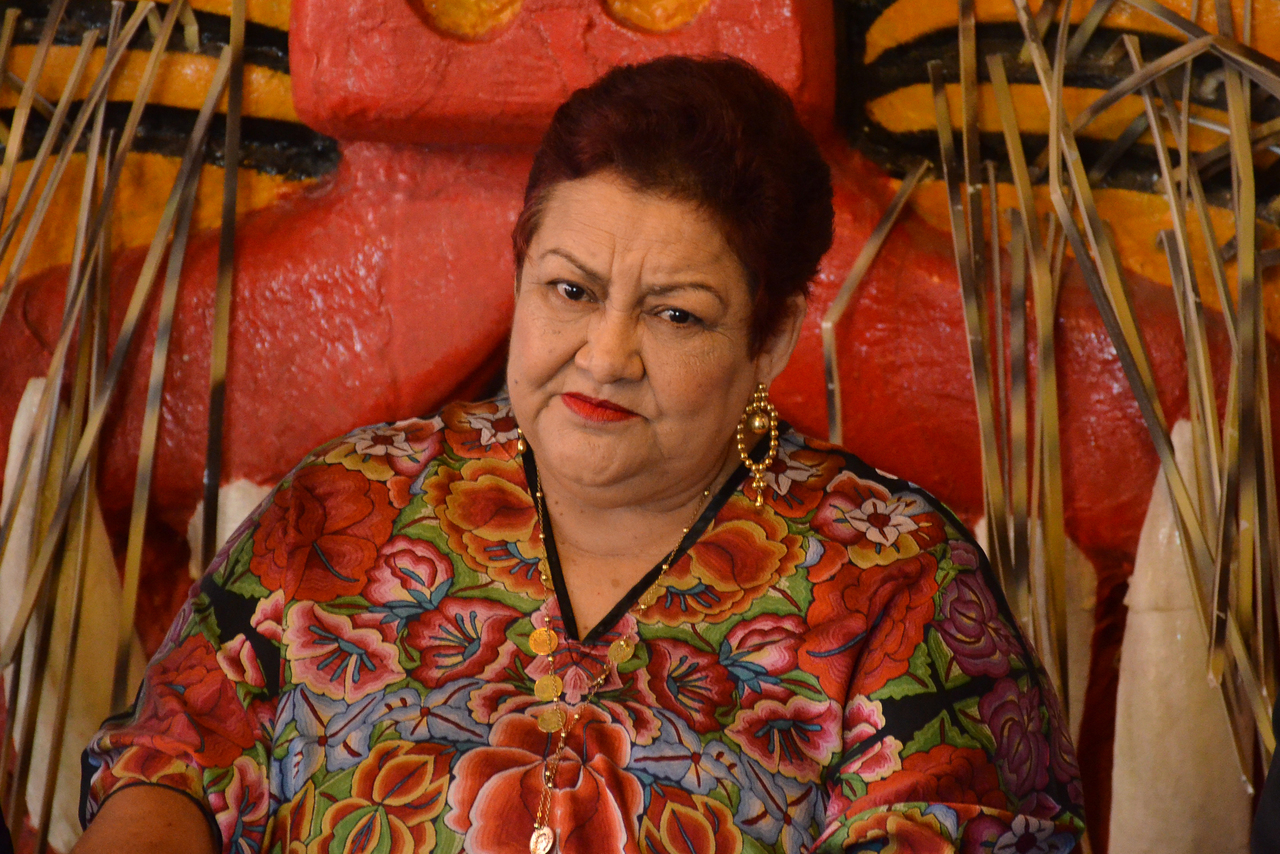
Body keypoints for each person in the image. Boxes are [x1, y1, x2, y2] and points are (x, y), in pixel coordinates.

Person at [74, 55, 1084, 854]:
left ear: (769, 341)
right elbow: (169, 766)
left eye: (676, 313)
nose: (605, 355)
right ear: (520, 274)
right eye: (570, 290)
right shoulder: (345, 505)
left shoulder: (895, 582)